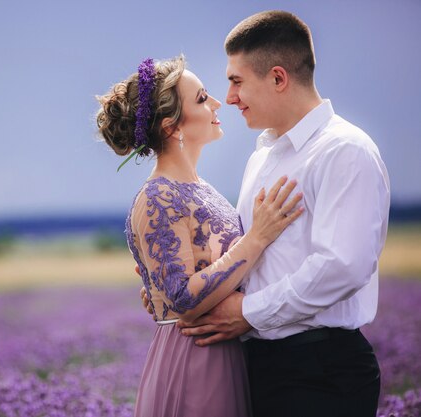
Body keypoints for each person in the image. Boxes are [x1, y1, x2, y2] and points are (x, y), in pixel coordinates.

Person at [167, 10, 390, 417]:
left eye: (237, 81)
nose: (229, 97)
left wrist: (248, 313)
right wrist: (173, 282)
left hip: (319, 370)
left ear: (277, 78)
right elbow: (245, 254)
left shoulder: (344, 150)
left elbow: (342, 266)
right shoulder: (265, 155)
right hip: (260, 364)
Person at [96, 55, 303, 417]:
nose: (218, 103)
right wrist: (257, 237)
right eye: (203, 98)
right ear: (171, 127)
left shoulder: (197, 187)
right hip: (195, 357)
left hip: (223, 350)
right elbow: (182, 299)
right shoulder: (158, 197)